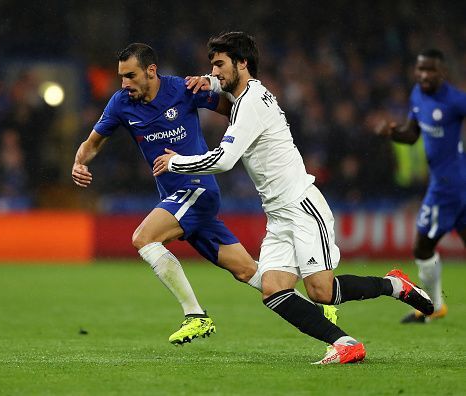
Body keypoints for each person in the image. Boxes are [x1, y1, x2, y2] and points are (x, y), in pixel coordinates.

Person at [153, 32, 434, 364]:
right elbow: (224, 86)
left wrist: (176, 163)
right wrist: (209, 82)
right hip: (279, 215)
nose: (213, 71)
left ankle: (393, 285)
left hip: (301, 205)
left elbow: (225, 160)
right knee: (273, 289)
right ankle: (345, 343)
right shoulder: (247, 96)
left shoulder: (251, 104)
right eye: (211, 65)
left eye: (219, 65)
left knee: (322, 292)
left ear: (242, 63)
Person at [73, 43, 296, 346]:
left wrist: (253, 134)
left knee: (143, 238)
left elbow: (234, 109)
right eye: (121, 77)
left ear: (151, 71)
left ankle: (195, 316)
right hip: (177, 199)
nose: (124, 84)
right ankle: (318, 308)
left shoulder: (183, 89)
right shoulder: (120, 103)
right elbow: (93, 141)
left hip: (197, 189)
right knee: (248, 272)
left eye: (130, 75)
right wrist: (79, 162)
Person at [375, 49, 466, 323]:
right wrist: (393, 132)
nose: (424, 75)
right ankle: (435, 306)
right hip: (452, 183)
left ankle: (434, 306)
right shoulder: (417, 94)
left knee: (423, 247)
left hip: (447, 186)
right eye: (421, 69)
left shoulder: (455, 101)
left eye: (430, 70)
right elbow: (412, 135)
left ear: (443, 72)